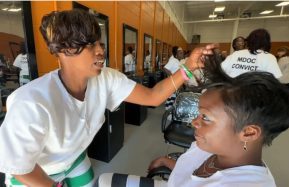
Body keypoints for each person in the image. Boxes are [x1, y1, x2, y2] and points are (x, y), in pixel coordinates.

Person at [0, 9, 214, 187]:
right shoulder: (31, 101)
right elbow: (20, 169)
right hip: (33, 171)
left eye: (100, 44)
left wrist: (187, 67)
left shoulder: (106, 78)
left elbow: (153, 97)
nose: (101, 51)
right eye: (91, 44)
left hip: (73, 160)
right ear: (64, 49)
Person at [98, 52, 289, 187]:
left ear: (249, 132)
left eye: (206, 117)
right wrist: (171, 163)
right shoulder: (209, 146)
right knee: (102, 180)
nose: (194, 122)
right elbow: (192, 175)